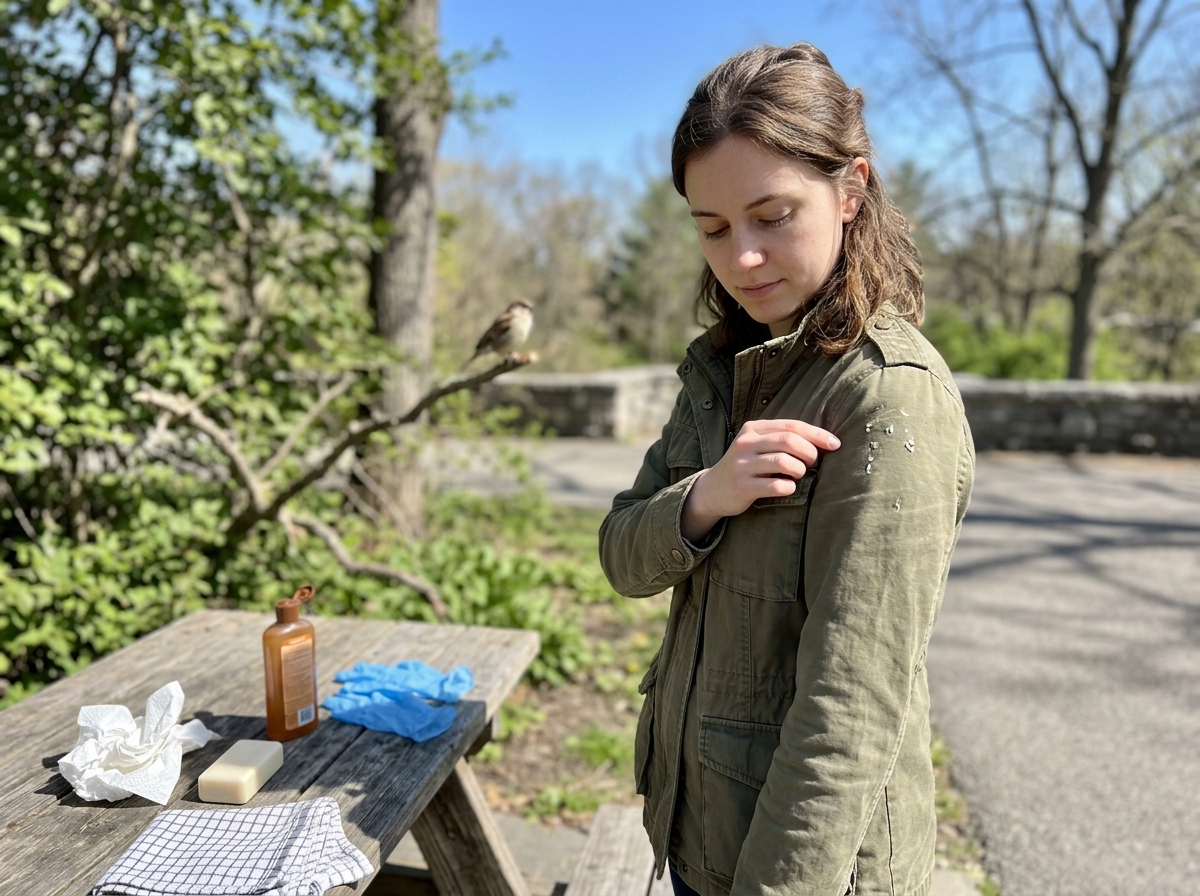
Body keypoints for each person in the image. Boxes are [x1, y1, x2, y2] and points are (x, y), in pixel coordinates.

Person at [598, 44, 975, 896]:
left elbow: (851, 709)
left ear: (850, 191)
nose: (743, 259)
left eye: (774, 216)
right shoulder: (728, 365)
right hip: (702, 840)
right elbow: (621, 553)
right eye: (714, 228)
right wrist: (706, 496)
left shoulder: (888, 398)